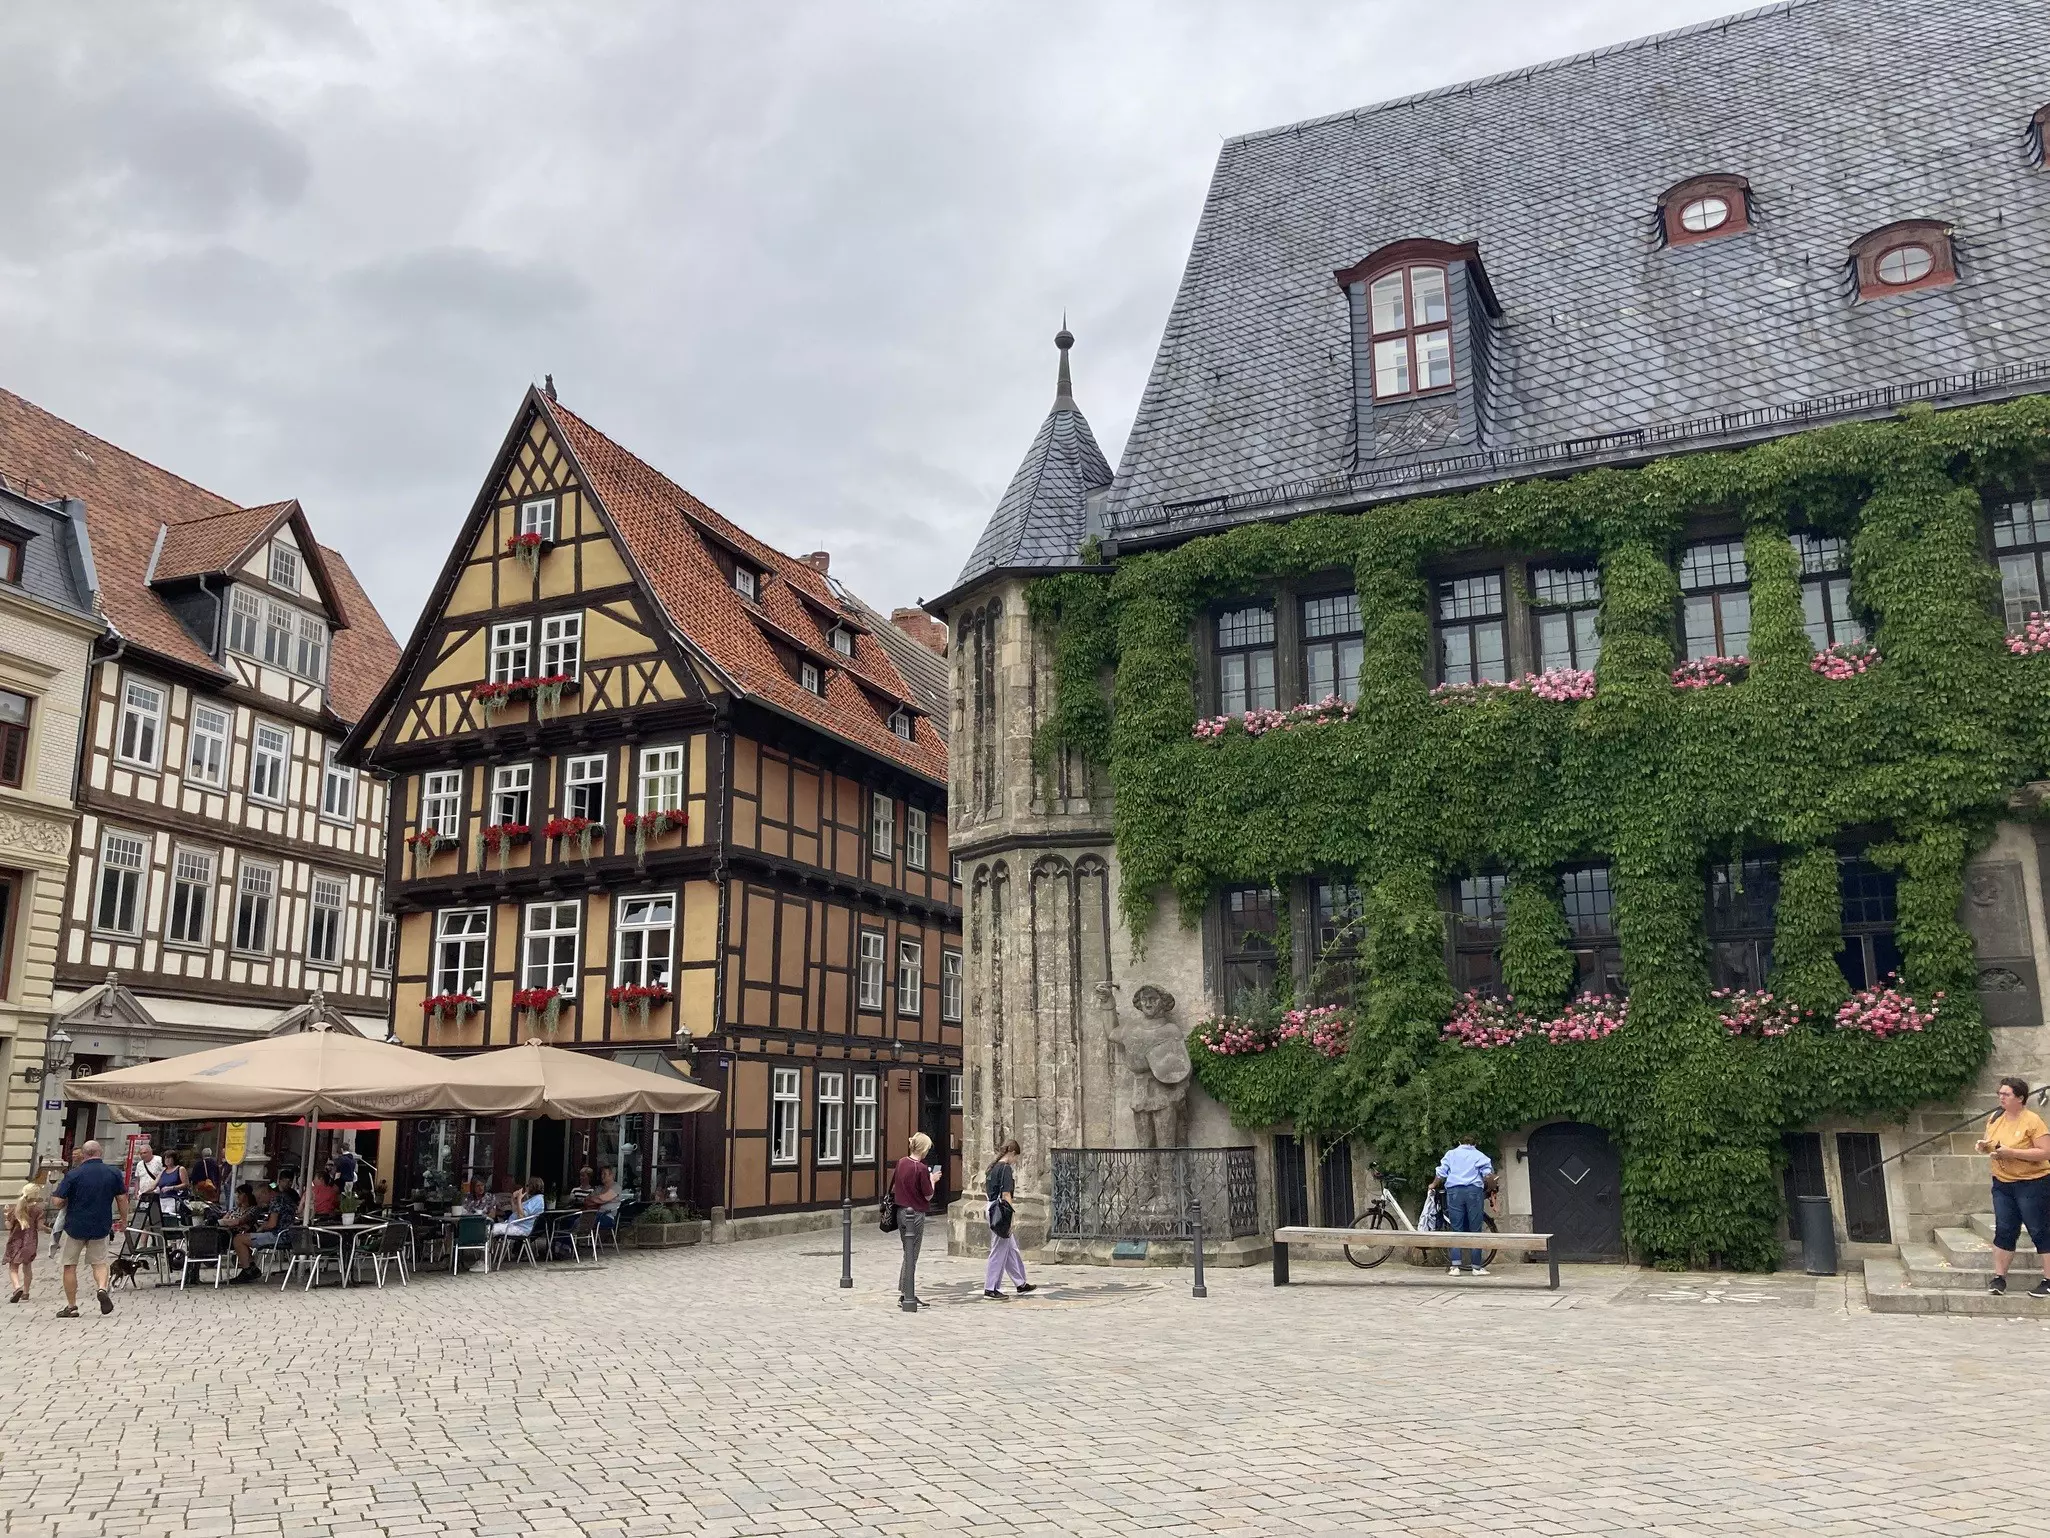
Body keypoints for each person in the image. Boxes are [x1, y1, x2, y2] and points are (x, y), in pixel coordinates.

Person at [1974, 1075, 2050, 1296]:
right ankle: (1999, 1278)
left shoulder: (2032, 1121)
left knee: (2040, 1229)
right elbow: (1993, 1142)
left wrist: (2012, 1152)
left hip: (2032, 1182)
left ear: (2020, 1098)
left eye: (2006, 1094)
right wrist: (1986, 1147)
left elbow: (2045, 1152)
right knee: (2005, 1229)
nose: (2001, 1097)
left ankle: (2048, 1279)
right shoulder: (1996, 1117)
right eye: (2000, 1093)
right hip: (2003, 1183)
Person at [49, 1139, 129, 1317]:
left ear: (84, 1154)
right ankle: (101, 1288)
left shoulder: (74, 1175)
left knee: (69, 1265)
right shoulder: (113, 1172)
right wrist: (124, 1220)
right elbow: (122, 1199)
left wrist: (60, 1199)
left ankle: (72, 1306)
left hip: (74, 1226)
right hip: (101, 1225)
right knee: (99, 1263)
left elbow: (57, 1201)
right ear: (100, 1153)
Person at [1432, 1134, 1496, 1277]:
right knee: (1475, 1228)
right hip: (1473, 1191)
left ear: (1459, 1142)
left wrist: (1433, 1184)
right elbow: (1488, 1175)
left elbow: (1441, 1172)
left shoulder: (1451, 1154)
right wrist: (1491, 1187)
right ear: (1475, 1144)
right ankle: (1476, 1268)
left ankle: (1455, 1267)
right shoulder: (1480, 1155)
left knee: (1456, 1228)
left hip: (1454, 1192)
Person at [982, 1139, 1036, 1300]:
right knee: (998, 1250)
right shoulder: (1005, 1169)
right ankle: (990, 1287)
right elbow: (1006, 1194)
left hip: (991, 1207)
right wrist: (1010, 1214)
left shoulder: (992, 1168)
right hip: (1000, 1209)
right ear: (1011, 1153)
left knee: (1011, 1249)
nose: (1016, 1161)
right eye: (1016, 1157)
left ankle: (1020, 1282)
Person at [892, 1132, 937, 1312]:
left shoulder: (901, 1162)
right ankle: (906, 1294)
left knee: (907, 1252)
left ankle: (905, 1292)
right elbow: (928, 1194)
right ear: (924, 1149)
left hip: (901, 1211)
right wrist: (933, 1180)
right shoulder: (920, 1168)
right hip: (916, 1214)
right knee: (912, 1255)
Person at [7, 1174, 48, 1303]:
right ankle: (26, 1292)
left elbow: (8, 1226)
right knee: (27, 1268)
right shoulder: (38, 1210)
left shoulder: (16, 1209)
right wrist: (50, 1230)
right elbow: (40, 1227)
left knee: (13, 1267)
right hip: (30, 1242)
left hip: (15, 1242)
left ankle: (17, 1287)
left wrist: (5, 1216)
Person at [491, 1177, 546, 1244]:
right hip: (514, 1225)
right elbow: (515, 1212)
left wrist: (519, 1199)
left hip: (521, 1228)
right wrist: (513, 1199)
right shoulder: (533, 1199)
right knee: (491, 1227)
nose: (526, 1187)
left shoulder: (537, 1200)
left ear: (532, 1187)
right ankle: (490, 1251)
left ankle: (486, 1252)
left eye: (527, 1185)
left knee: (490, 1229)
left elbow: (521, 1216)